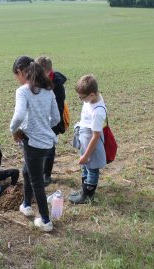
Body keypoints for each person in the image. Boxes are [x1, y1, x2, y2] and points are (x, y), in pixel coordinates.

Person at [10, 56, 60, 232]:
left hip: (33, 144)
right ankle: (26, 205)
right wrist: (43, 126)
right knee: (27, 170)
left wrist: (13, 130)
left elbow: (18, 116)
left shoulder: (22, 91)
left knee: (37, 181)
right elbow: (56, 118)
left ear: (22, 72)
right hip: (48, 143)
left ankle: (46, 221)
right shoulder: (49, 91)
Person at [68, 74, 107, 204]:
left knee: (91, 168)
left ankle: (88, 195)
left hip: (91, 144)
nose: (80, 100)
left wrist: (86, 155)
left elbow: (96, 136)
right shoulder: (91, 99)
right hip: (85, 139)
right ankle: (84, 190)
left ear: (91, 95)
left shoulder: (97, 111)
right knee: (85, 167)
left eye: (81, 98)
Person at [35, 56, 67, 186]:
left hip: (53, 121)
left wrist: (50, 125)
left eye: (41, 74)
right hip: (39, 118)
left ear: (50, 71)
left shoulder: (57, 84)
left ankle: (46, 174)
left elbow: (58, 109)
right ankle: (38, 171)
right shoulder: (37, 78)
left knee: (49, 147)